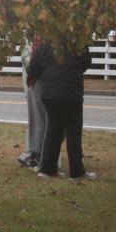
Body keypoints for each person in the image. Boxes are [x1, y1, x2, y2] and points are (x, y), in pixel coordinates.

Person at [28, 41, 97, 180]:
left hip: (50, 91)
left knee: (53, 129)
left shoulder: (45, 43)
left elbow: (33, 69)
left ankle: (47, 170)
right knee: (73, 131)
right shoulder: (78, 41)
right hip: (71, 90)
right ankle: (77, 172)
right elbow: (86, 62)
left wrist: (50, 71)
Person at [18, 36, 46, 169]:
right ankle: (34, 153)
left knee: (41, 121)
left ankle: (37, 154)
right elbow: (27, 62)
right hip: (34, 83)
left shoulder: (42, 40)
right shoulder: (31, 42)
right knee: (37, 121)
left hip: (42, 83)